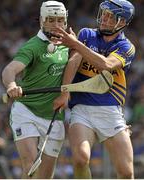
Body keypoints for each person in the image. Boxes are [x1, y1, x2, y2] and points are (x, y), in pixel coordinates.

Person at [53, 0, 135, 178]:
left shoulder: (126, 47)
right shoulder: (87, 34)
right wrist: (65, 93)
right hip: (81, 109)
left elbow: (106, 64)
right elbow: (74, 62)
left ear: (122, 22)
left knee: (126, 173)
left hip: (110, 112)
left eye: (110, 16)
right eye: (104, 14)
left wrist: (76, 44)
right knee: (81, 159)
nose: (104, 19)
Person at [2, 1, 69, 179]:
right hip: (27, 112)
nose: (57, 25)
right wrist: (11, 85)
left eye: (61, 20)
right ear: (41, 21)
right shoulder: (33, 46)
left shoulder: (70, 44)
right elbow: (10, 70)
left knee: (45, 176)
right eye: (51, 20)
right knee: (31, 166)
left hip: (54, 116)